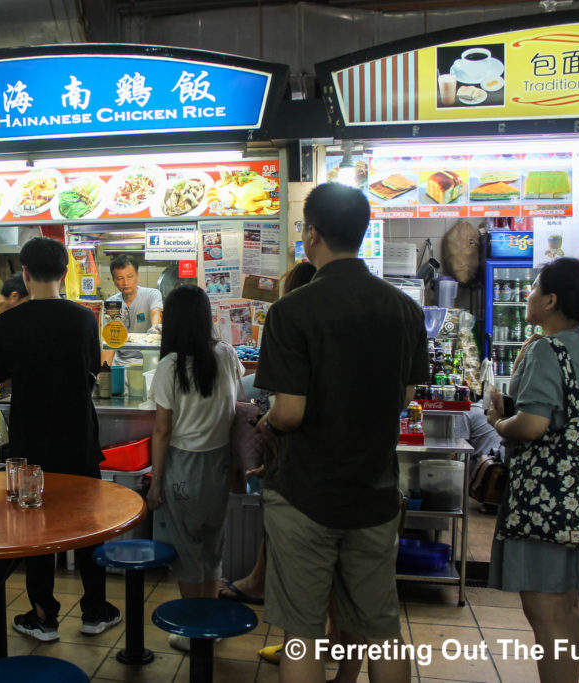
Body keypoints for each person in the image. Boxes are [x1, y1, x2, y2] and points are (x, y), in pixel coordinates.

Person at [255, 183, 426, 683]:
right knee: (382, 629)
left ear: (311, 234)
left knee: (301, 634)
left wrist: (263, 422)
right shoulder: (404, 310)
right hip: (374, 492)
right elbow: (405, 396)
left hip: (306, 493)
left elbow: (288, 413)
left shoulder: (291, 312)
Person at [485, 257, 579, 683]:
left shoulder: (548, 348)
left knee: (545, 612)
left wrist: (498, 423)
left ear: (551, 299)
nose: (528, 294)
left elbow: (532, 425)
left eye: (534, 287)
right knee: (567, 607)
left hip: (546, 500)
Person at [0, 237, 121, 642]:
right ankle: (95, 610)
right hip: (78, 435)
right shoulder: (83, 319)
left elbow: (1, 378)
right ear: (66, 273)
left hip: (31, 437)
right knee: (87, 524)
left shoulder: (6, 322)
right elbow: (92, 371)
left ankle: (43, 615)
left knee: (37, 527)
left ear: (25, 274)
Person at [146, 284, 243, 652]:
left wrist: (155, 482)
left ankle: (191, 629)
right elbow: (237, 409)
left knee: (187, 554)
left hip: (183, 467)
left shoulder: (170, 366)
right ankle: (210, 624)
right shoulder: (227, 354)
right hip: (218, 464)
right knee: (211, 549)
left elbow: (162, 429)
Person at [219, 262, 317, 612]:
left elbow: (284, 410)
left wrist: (270, 429)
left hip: (299, 458)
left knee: (285, 522)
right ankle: (262, 580)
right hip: (315, 462)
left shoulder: (289, 319)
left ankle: (265, 584)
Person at [101, 255, 162, 366]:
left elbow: (156, 312)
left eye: (130, 276)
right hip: (121, 363)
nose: (125, 282)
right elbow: (111, 341)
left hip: (148, 360)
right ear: (114, 280)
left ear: (137, 275)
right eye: (120, 278)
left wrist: (156, 328)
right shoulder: (113, 303)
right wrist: (103, 373)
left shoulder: (151, 294)